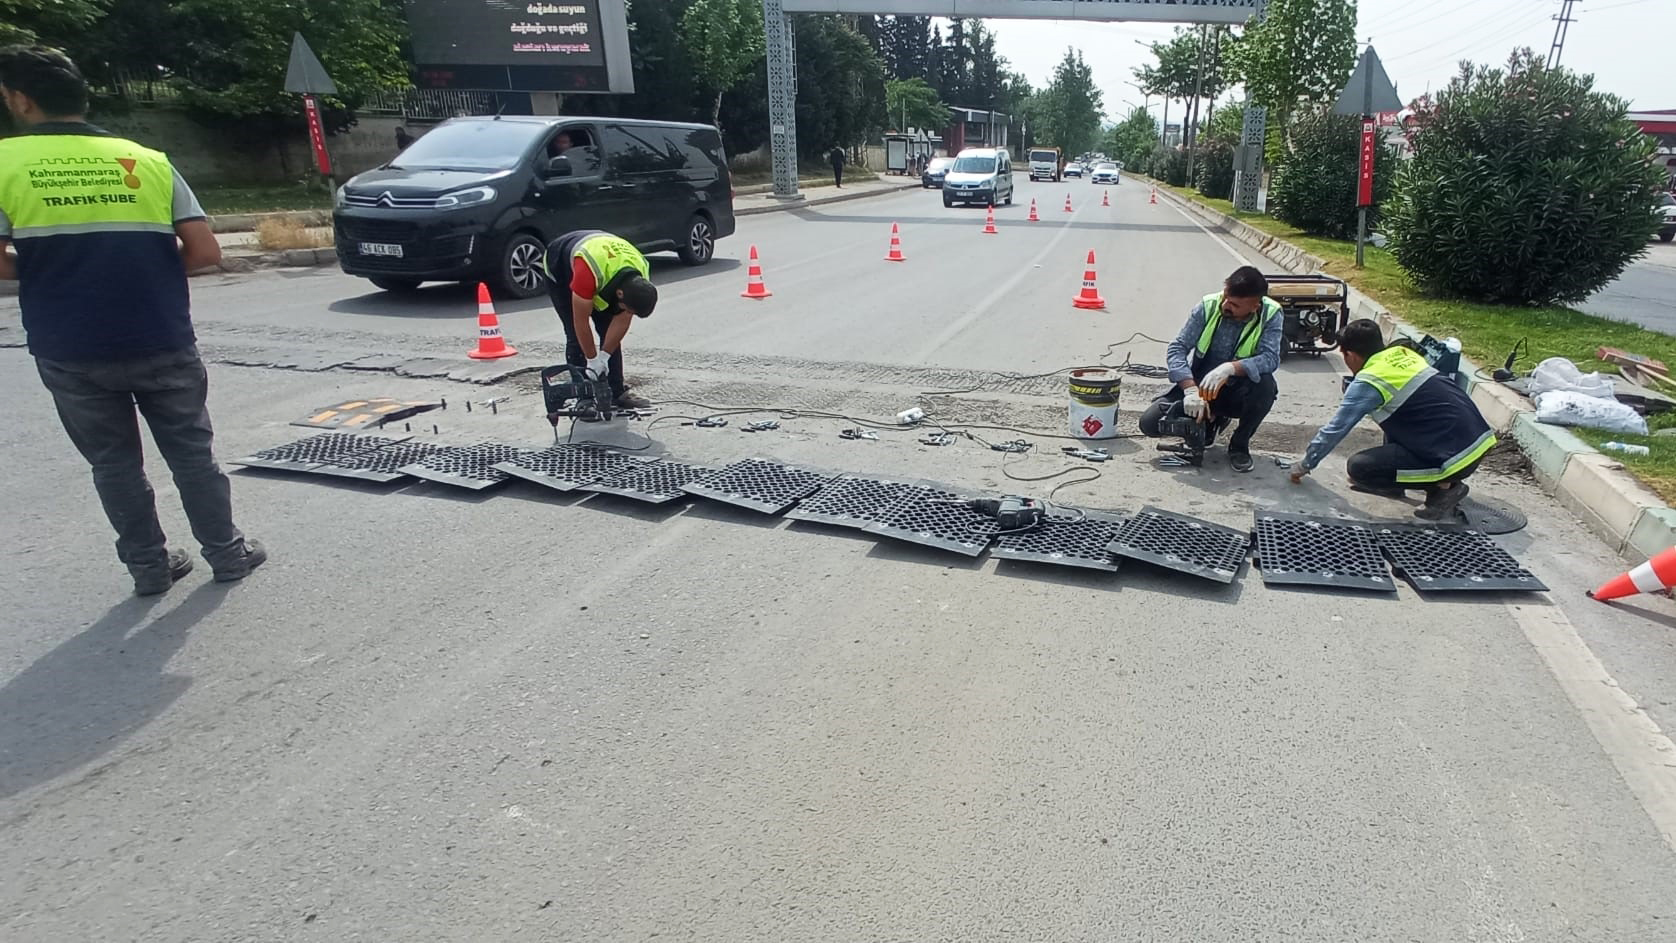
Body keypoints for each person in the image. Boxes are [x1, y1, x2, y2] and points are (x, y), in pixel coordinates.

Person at [0, 45, 265, 595]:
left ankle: (149, 568)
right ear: (83, 96)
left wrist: (51, 275)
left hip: (69, 345)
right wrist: (151, 276)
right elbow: (205, 250)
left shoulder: (5, 165)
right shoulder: (147, 160)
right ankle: (227, 553)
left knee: (113, 463)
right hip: (159, 332)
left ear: (21, 100)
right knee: (192, 454)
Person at [1289, 320, 1496, 520]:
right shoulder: (1403, 354)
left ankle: (1444, 489)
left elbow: (1336, 429)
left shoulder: (1369, 379)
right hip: (1478, 438)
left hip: (1457, 457)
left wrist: (1305, 464)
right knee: (1397, 412)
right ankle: (1401, 484)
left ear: (1349, 355)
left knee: (1360, 469)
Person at [1138, 265, 1283, 473]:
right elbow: (1177, 348)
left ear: (1255, 306)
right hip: (1199, 386)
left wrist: (1231, 368)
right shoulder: (1208, 305)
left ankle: (1239, 445)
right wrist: (1189, 389)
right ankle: (1206, 421)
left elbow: (1270, 358)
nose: (1226, 305)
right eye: (1226, 297)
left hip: (1236, 391)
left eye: (1234, 304)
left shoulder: (1271, 314)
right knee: (1149, 424)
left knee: (1266, 386)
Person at [543, 230, 657, 411]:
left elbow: (621, 320)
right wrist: (592, 360)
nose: (628, 313)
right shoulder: (588, 271)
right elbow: (580, 323)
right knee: (574, 336)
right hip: (561, 267)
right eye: (628, 309)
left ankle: (617, 392)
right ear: (620, 294)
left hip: (606, 268)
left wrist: (603, 356)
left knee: (607, 329)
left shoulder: (640, 273)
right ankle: (584, 398)